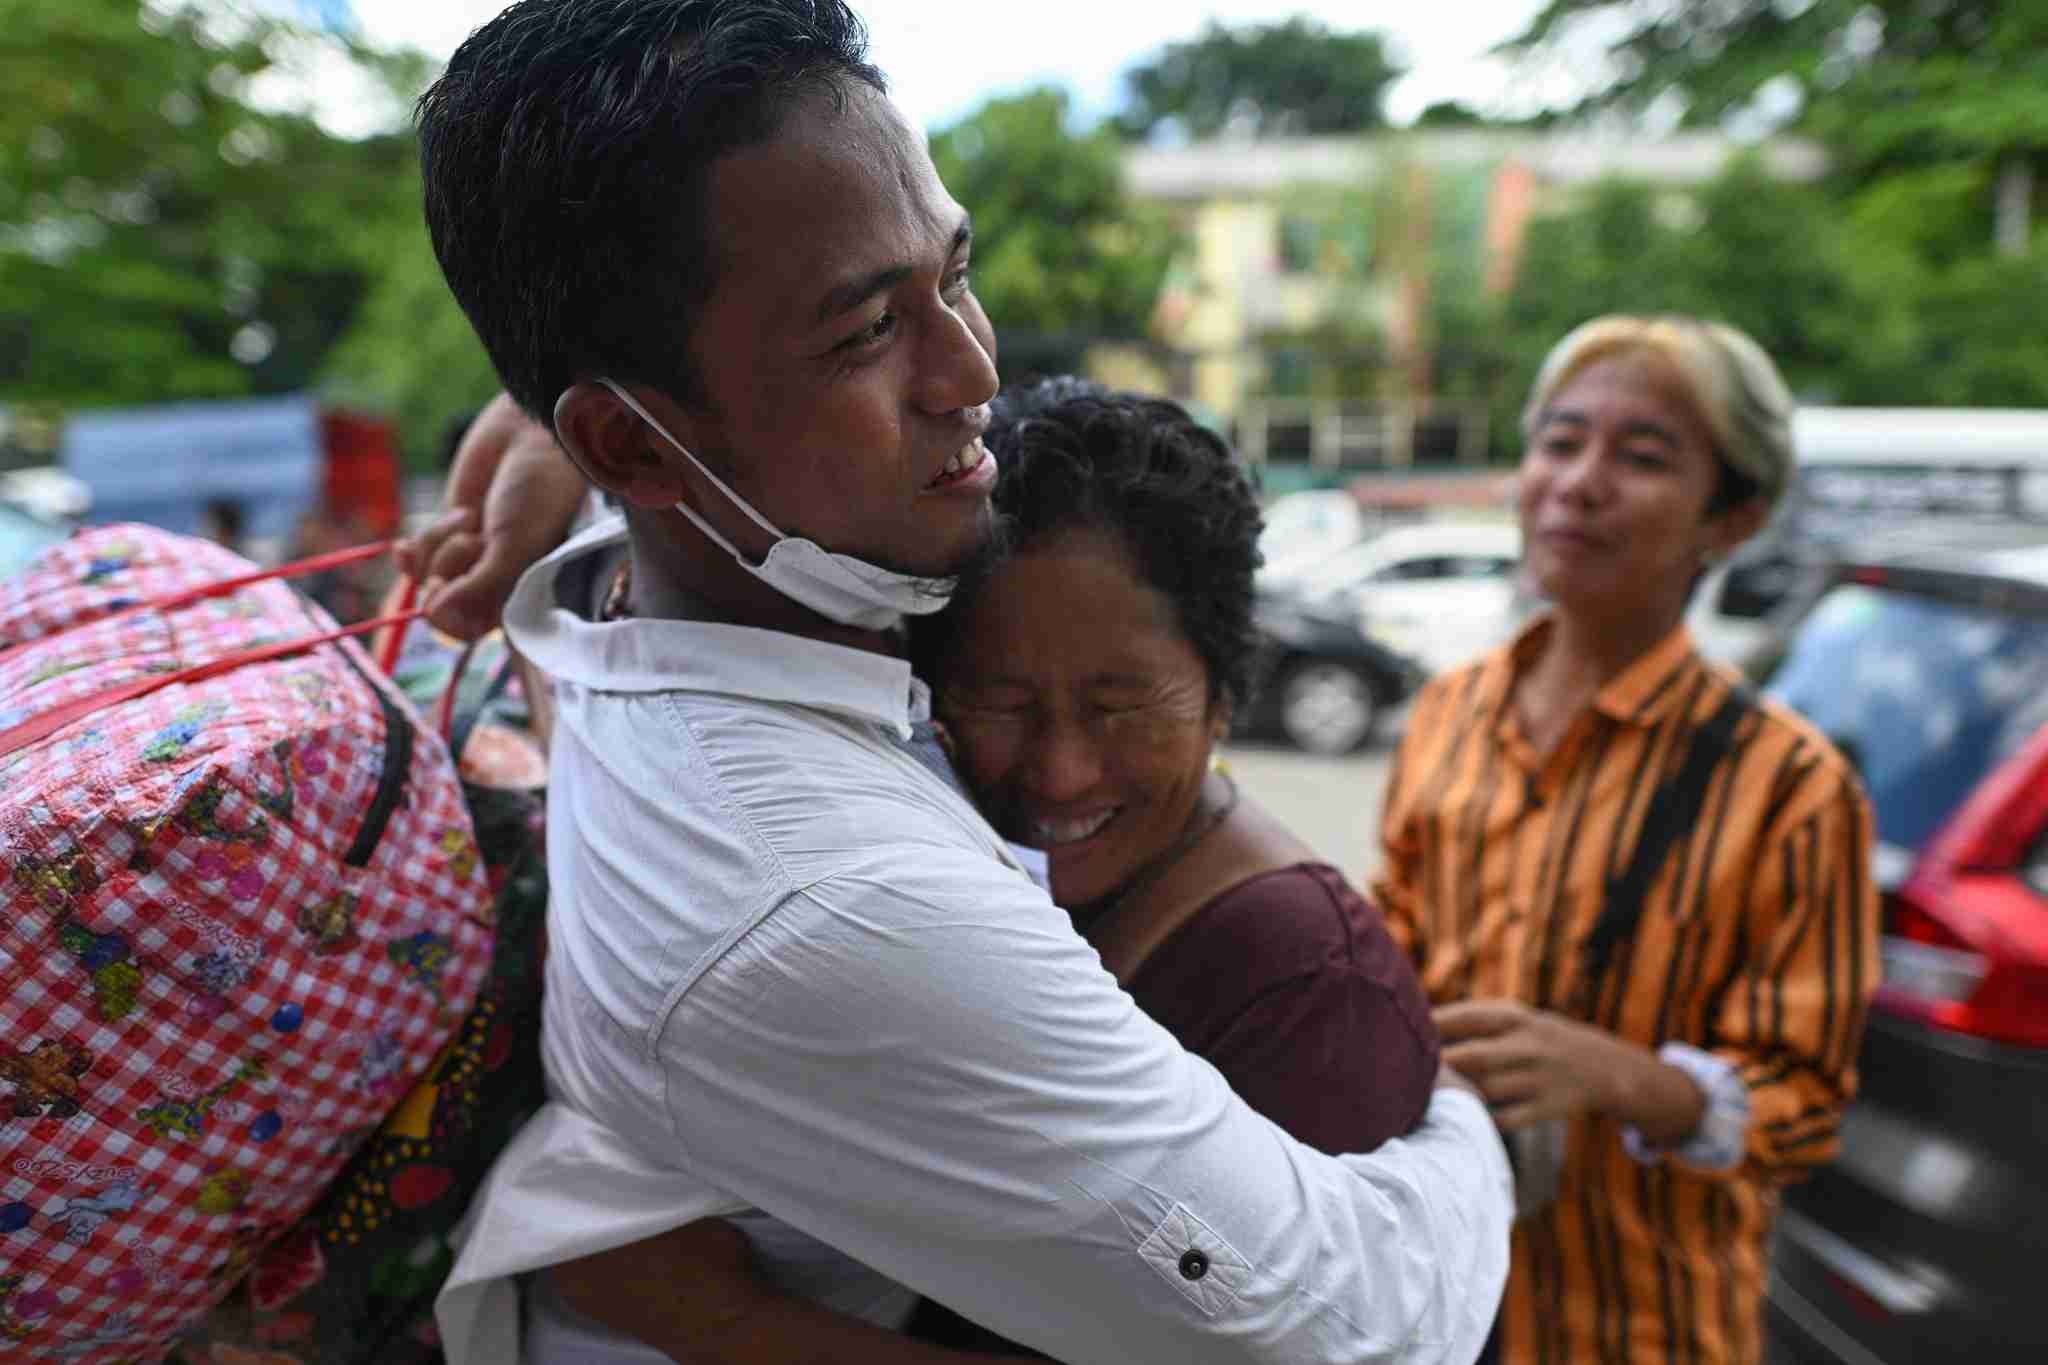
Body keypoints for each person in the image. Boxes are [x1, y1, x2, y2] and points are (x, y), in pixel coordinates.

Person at [405, 3, 1512, 1363]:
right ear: (632, 443)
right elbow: (1348, 1331)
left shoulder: (676, 577)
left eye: (954, 271)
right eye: (868, 332)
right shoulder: (833, 900)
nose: (975, 368)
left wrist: (533, 430)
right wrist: (1473, 1125)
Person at [535, 376, 1446, 1362]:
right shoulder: (953, 886)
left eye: (1118, 706)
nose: (1057, 772)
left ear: (1225, 687)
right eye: (999, 703)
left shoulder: (1301, 988)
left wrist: (726, 1321)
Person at [1372, 314, 1880, 1365]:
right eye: (1558, 442)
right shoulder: (1446, 715)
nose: (1578, 482)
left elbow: (1804, 1104)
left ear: (1730, 518)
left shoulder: (1790, 784)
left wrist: (1625, 1078)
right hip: (1435, 1306)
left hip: (1642, 1322)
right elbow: (1388, 952)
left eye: (1640, 456)